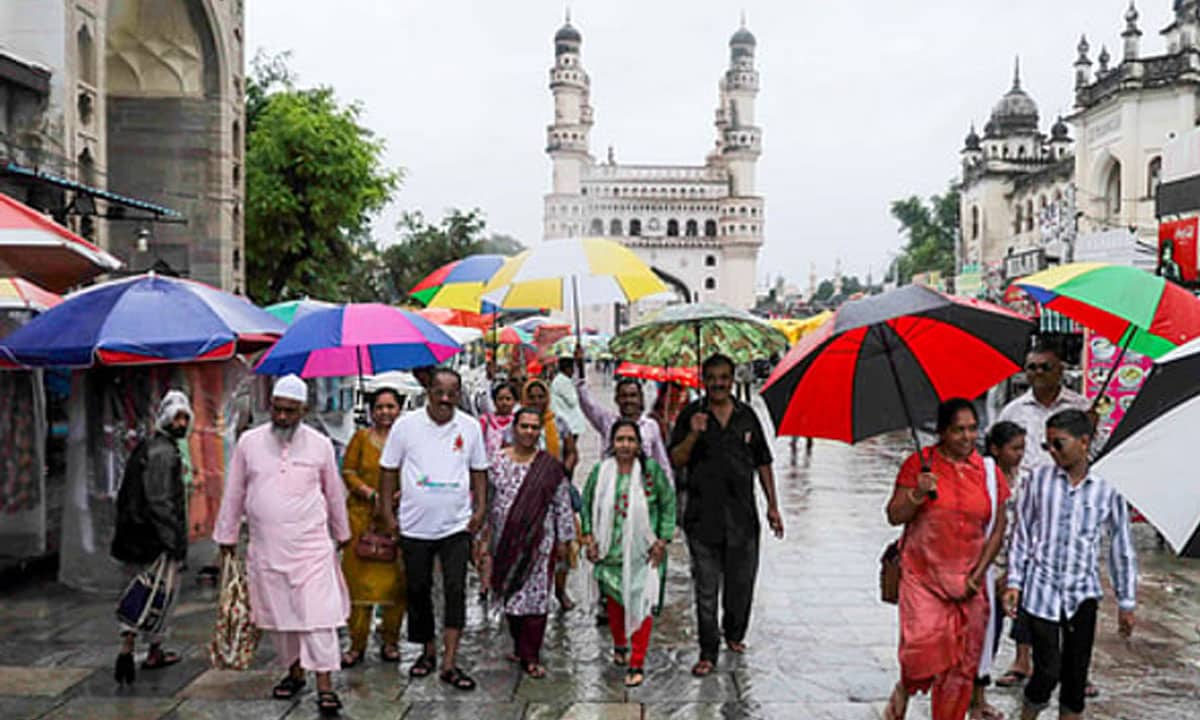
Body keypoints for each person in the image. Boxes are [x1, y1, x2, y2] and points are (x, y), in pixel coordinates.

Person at [213, 375, 351, 717]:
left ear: (303, 410)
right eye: (277, 409)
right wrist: (226, 537)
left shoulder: (320, 444)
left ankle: (325, 686)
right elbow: (234, 491)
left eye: (290, 411)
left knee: (318, 618)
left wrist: (342, 532)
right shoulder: (249, 442)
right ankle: (294, 673)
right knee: (280, 617)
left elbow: (334, 493)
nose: (283, 417)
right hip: (267, 548)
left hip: (312, 548)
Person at [1003, 409, 1137, 720]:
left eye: (1059, 444)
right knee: (1047, 671)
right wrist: (1014, 581)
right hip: (1041, 591)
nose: (1052, 451)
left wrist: (1126, 601)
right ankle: (1028, 714)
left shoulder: (1107, 487)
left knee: (1076, 678)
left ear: (1084, 442)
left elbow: (1121, 545)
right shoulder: (1038, 481)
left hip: (1082, 592)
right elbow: (1022, 534)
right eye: (1047, 445)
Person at [882, 398, 1009, 720]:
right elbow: (894, 515)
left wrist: (978, 575)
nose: (967, 437)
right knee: (922, 650)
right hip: (923, 576)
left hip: (970, 580)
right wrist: (917, 494)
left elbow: (998, 529)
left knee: (962, 666)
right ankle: (907, 684)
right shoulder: (919, 464)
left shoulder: (989, 472)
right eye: (958, 430)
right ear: (941, 432)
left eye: (972, 429)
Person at [669, 353, 783, 677]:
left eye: (724, 378)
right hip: (702, 520)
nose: (718, 384)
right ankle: (708, 650)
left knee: (740, 586)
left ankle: (734, 633)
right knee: (706, 590)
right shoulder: (691, 414)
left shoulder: (747, 416)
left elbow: (763, 461)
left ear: (732, 380)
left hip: (743, 519)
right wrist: (693, 434)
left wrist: (773, 506)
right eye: (712, 378)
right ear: (703, 380)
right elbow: (676, 459)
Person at [377, 368, 489, 692]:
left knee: (455, 589)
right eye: (439, 392)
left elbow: (479, 471)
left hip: (456, 524)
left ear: (459, 395)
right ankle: (427, 651)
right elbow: (388, 470)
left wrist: (480, 509)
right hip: (414, 526)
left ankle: (450, 662)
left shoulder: (469, 427)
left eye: (452, 393)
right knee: (418, 589)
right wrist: (387, 513)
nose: (444, 399)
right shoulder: (406, 426)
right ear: (429, 392)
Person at [995, 345, 1089, 690]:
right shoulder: (1014, 410)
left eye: (1044, 367)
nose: (1036, 374)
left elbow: (1098, 452)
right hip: (1025, 506)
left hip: (1069, 507)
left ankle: (1071, 663)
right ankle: (1022, 658)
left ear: (1060, 370)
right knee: (1023, 579)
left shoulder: (1081, 409)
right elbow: (1000, 455)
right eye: (1031, 367)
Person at [581, 419, 677, 688]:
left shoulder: (651, 472)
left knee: (641, 605)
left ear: (639, 444)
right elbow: (586, 504)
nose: (625, 445)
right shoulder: (600, 471)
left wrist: (662, 539)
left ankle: (637, 662)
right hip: (609, 551)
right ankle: (620, 645)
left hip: (644, 553)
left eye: (630, 440)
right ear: (612, 443)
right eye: (620, 439)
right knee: (615, 601)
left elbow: (668, 504)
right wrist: (588, 537)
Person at [485, 406, 574, 678]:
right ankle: (519, 645)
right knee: (511, 595)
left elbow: (562, 504)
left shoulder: (549, 467)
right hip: (504, 542)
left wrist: (564, 540)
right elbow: (487, 500)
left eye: (535, 427)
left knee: (536, 600)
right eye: (524, 426)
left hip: (539, 542)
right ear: (514, 428)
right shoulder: (496, 462)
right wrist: (482, 538)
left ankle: (531, 655)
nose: (529, 432)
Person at [111, 390, 192, 685]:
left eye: (185, 418)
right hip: (153, 540)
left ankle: (137, 646)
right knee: (157, 594)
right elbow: (160, 501)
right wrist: (174, 543)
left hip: (138, 537)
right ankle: (139, 649)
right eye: (177, 418)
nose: (182, 423)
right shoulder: (163, 453)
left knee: (142, 592)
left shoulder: (153, 447)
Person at [339, 388, 406, 668]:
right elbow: (348, 472)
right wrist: (370, 494)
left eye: (390, 407)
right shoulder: (360, 438)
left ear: (399, 410)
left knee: (396, 585)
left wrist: (397, 496)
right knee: (359, 585)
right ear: (371, 411)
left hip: (396, 519)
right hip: (361, 519)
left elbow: (416, 472)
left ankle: (390, 640)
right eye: (380, 407)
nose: (385, 412)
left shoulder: (406, 441)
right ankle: (356, 644)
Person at [971, 421, 1027, 720]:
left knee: (994, 632)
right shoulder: (982, 476)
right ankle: (975, 697)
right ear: (995, 448)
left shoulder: (1023, 479)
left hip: (1011, 566)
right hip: (983, 565)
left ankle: (977, 695)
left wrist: (1013, 572)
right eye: (1014, 448)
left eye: (1022, 448)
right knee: (981, 634)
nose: (1020, 454)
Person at [518, 377, 580, 611]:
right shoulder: (518, 424)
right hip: (527, 495)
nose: (537, 401)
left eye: (541, 396)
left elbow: (572, 452)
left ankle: (560, 590)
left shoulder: (559, 423)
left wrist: (564, 468)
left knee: (563, 544)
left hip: (556, 492)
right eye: (532, 397)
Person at [573, 346, 673, 483]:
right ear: (617, 399)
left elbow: (662, 463)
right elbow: (587, 403)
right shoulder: (608, 422)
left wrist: (668, 490)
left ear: (640, 398)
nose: (628, 400)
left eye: (633, 395)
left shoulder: (650, 426)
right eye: (624, 396)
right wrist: (579, 368)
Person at [550, 351, 587, 445]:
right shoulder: (563, 381)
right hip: (569, 423)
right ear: (567, 368)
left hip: (567, 422)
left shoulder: (560, 379)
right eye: (572, 368)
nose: (573, 371)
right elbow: (572, 401)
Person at [480, 381, 519, 459]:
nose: (504, 402)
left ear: (515, 401)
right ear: (494, 401)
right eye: (500, 399)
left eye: (508, 399)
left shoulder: (518, 420)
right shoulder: (485, 420)